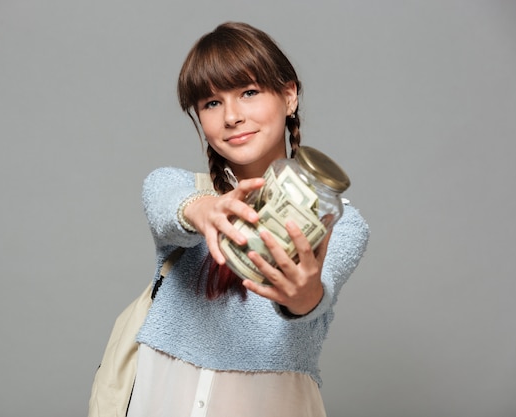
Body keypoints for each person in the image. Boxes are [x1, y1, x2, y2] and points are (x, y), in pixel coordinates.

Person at [128, 22, 369, 417]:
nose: (232, 116)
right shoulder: (178, 187)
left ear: (289, 96)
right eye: (211, 103)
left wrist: (302, 297)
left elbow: (316, 295)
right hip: (161, 397)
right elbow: (167, 206)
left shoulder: (338, 222)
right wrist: (205, 210)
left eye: (249, 92)